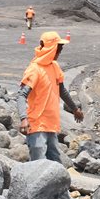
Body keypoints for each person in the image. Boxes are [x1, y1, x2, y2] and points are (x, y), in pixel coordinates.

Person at [16, 30, 84, 162]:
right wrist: (23, 119)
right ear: (50, 48)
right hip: (36, 125)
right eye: (58, 48)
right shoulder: (35, 69)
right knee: (39, 164)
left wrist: (75, 109)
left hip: (51, 124)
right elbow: (21, 96)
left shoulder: (55, 66)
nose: (60, 52)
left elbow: (62, 91)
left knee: (55, 162)